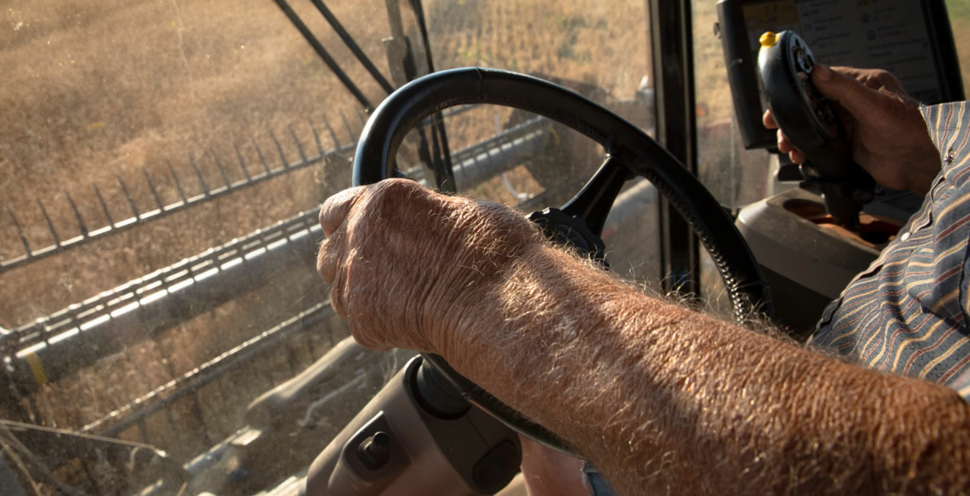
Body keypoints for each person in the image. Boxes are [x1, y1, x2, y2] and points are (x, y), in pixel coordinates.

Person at [316, 64, 970, 495]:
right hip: (851, 365)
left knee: (545, 457)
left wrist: (478, 282)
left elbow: (922, 471)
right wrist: (926, 161)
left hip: (808, 452)